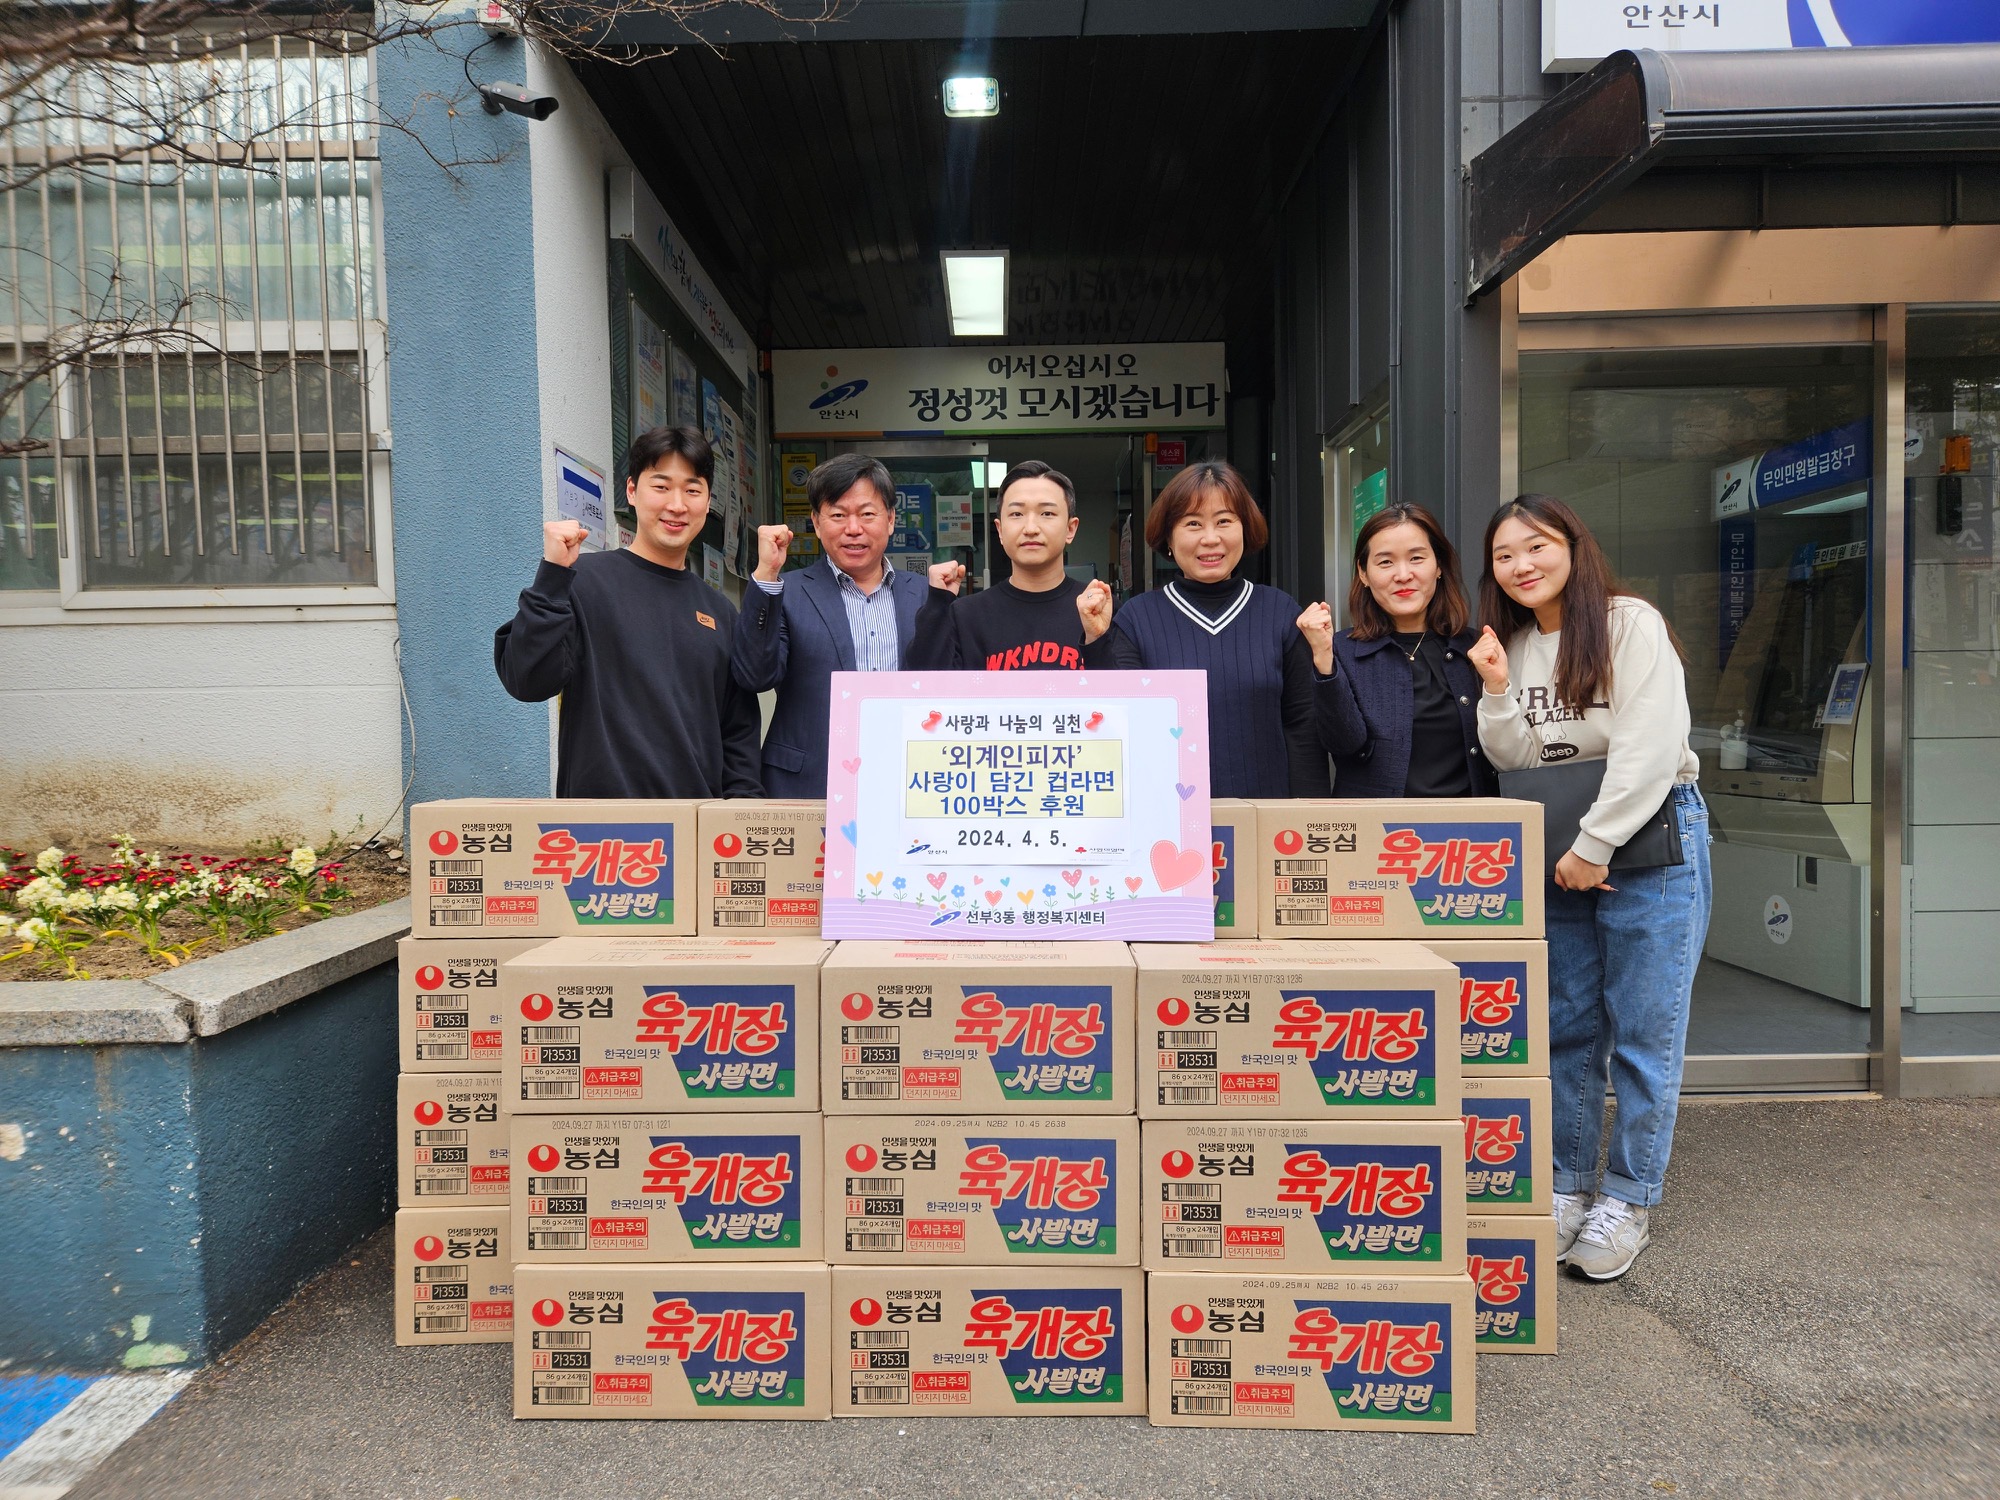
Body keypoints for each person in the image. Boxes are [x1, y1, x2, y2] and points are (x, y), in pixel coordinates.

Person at [1465, 492, 1710, 1283]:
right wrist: (1498, 687)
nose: (1522, 565)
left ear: (1573, 546)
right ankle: (1566, 1186)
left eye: (1536, 547)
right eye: (1505, 555)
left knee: (1643, 1033)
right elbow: (1513, 758)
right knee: (1567, 1028)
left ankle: (1630, 1198)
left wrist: (1596, 844)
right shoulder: (1512, 642)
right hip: (1563, 850)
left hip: (1646, 842)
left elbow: (1650, 744)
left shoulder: (1627, 621)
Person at [493, 425, 763, 799]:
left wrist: (741, 814)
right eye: (661, 486)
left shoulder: (720, 612)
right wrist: (552, 575)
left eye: (692, 490)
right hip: (601, 835)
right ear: (632, 492)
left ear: (708, 502)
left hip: (696, 828)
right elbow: (527, 680)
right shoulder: (582, 582)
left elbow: (738, 734)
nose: (677, 504)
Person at [1077, 458, 1332, 799]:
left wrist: (1306, 816)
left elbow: (1303, 725)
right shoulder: (1137, 618)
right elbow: (1118, 721)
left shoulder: (1280, 611)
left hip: (1265, 816)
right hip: (1168, 820)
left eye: (1224, 521)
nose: (1210, 539)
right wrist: (1096, 639)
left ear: (1245, 529)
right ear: (1168, 536)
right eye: (1193, 524)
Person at [733, 452, 929, 796]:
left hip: (906, 780)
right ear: (817, 521)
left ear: (891, 519)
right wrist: (765, 576)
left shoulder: (926, 595)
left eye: (868, 514)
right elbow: (754, 676)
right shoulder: (787, 592)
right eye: (838, 515)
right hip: (809, 783)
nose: (853, 529)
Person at [1295, 502, 1497, 798]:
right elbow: (1344, 744)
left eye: (1416, 558)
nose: (1403, 575)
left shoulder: (1476, 649)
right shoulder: (1340, 650)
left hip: (1466, 836)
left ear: (1438, 566)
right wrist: (1324, 661)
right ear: (1363, 573)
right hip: (1379, 836)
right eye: (1385, 562)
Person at [907, 460, 1099, 672]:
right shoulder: (966, 615)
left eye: (1047, 513)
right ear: (999, 530)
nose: (1031, 528)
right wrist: (937, 604)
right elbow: (925, 686)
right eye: (1017, 514)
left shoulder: (1098, 609)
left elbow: (1124, 693)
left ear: (1070, 529)